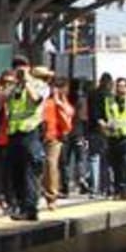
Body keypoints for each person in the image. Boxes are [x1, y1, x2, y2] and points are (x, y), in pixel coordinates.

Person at [1, 58, 49, 221]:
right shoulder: (13, 86)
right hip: (14, 133)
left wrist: (27, 82)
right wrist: (14, 84)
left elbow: (36, 99)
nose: (19, 71)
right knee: (16, 172)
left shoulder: (39, 85)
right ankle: (19, 206)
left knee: (30, 171)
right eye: (16, 68)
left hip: (31, 132)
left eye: (22, 68)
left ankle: (30, 208)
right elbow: (1, 99)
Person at [100, 79, 126, 200]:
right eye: (118, 86)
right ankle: (117, 189)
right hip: (113, 135)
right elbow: (103, 116)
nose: (120, 89)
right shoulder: (109, 100)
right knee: (115, 163)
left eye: (123, 86)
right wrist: (104, 125)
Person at [40, 71, 72, 211]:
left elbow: (70, 113)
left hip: (54, 136)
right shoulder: (41, 97)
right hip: (38, 134)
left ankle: (51, 196)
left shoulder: (60, 100)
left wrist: (59, 101)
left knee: (51, 164)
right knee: (38, 165)